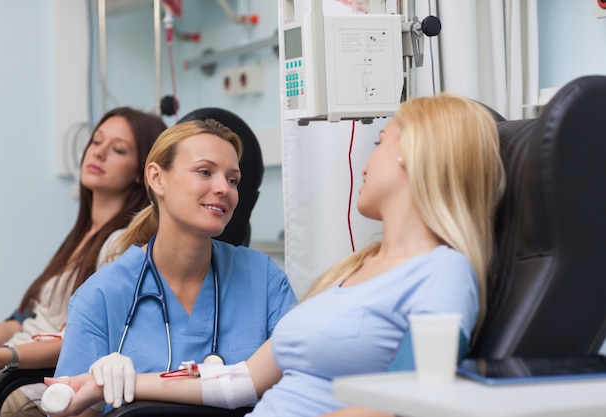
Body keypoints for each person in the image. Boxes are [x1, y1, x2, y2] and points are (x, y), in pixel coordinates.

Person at [44, 93, 505, 417]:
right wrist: (110, 383)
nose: (367, 157)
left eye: (381, 139)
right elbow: (241, 381)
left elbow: (412, 402)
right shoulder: (354, 271)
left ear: (416, 156)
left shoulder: (441, 272)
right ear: (156, 179)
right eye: (204, 172)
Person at [51, 118, 297, 411]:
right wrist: (94, 385)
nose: (224, 188)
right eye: (205, 172)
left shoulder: (263, 278)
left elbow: (300, 380)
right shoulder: (102, 295)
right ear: (157, 178)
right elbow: (65, 406)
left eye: (233, 180)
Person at [0, 107, 167, 417]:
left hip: (30, 385)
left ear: (142, 172)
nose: (99, 153)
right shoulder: (81, 236)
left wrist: (0, 357)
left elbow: (80, 339)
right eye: (96, 142)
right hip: (4, 368)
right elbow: (24, 320)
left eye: (118, 149)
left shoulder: (121, 246)